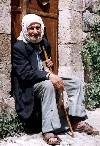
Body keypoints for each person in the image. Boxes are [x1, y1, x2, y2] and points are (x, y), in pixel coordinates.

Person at [12, 14, 99, 145]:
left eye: (38, 28)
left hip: (43, 79)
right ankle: (49, 130)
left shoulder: (43, 43)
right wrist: (48, 75)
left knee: (75, 82)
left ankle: (76, 120)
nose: (35, 32)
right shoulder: (19, 47)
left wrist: (48, 66)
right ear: (25, 29)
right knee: (48, 85)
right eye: (31, 28)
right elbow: (25, 74)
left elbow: (44, 68)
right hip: (28, 87)